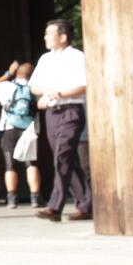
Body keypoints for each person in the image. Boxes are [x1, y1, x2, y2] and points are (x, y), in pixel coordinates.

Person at [29, 20, 91, 222]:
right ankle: (86, 204)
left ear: (63, 37)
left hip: (71, 110)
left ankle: (55, 206)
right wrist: (45, 92)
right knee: (65, 159)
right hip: (51, 113)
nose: (46, 37)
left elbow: (84, 85)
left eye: (50, 34)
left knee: (62, 156)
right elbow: (33, 85)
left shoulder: (77, 57)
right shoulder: (45, 59)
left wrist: (59, 93)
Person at [0, 62, 43, 209]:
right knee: (31, 164)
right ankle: (35, 198)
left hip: (9, 128)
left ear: (17, 73)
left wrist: (8, 72)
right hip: (29, 128)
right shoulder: (34, 89)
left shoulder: (7, 86)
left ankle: (12, 198)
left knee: (10, 165)